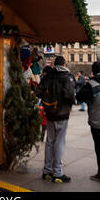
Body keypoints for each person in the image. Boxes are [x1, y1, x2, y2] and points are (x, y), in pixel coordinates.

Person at [35, 55, 75, 183]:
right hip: (62, 114)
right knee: (59, 142)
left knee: (50, 141)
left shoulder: (48, 75)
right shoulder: (66, 77)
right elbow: (69, 95)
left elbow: (38, 92)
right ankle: (57, 172)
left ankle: (47, 170)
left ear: (54, 65)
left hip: (49, 113)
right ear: (63, 64)